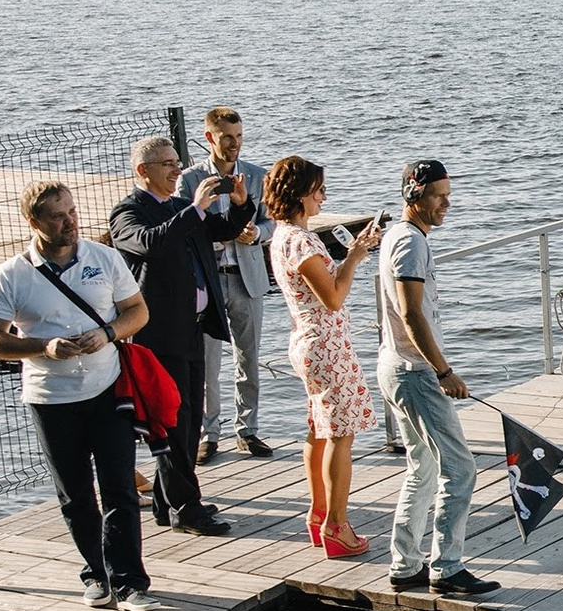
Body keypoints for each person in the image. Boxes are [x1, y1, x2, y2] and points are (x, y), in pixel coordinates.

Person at [0, 180, 165, 611]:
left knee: (119, 485)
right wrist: (43, 347)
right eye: (58, 216)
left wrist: (107, 333)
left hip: (108, 388)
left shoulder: (104, 258)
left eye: (73, 212)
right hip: (50, 396)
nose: (70, 223)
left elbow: (138, 311)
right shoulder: (13, 274)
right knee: (75, 492)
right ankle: (96, 574)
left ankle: (131, 582)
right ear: (34, 222)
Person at [110, 134, 249, 536]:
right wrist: (196, 208)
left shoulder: (177, 208)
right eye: (168, 164)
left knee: (189, 421)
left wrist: (240, 204)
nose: (177, 170)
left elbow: (220, 230)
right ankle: (187, 508)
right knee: (171, 421)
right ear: (143, 171)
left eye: (177, 162)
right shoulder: (128, 213)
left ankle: (166, 501)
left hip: (193, 329)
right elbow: (149, 244)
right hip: (158, 334)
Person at [377, 159, 498, 598]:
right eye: (438, 196)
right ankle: (446, 568)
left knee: (422, 467)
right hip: (416, 373)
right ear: (414, 195)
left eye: (448, 194)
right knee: (461, 469)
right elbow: (410, 314)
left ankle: (405, 563)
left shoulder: (400, 236)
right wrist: (444, 371)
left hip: (395, 365)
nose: (447, 203)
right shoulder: (410, 244)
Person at [265, 154, 380, 558]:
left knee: (318, 428)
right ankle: (337, 524)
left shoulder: (281, 236)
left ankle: (318, 515)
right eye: (318, 191)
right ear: (300, 195)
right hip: (326, 343)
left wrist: (351, 254)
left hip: (306, 340)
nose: (324, 198)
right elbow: (332, 298)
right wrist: (353, 259)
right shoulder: (301, 239)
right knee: (340, 435)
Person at [178, 106, 274, 460]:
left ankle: (247, 430)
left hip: (246, 277)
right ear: (209, 138)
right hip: (208, 281)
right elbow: (183, 225)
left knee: (248, 357)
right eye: (227, 138)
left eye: (239, 137)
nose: (234, 144)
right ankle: (209, 433)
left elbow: (273, 222)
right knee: (207, 361)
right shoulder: (190, 180)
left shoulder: (256, 175)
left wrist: (257, 233)